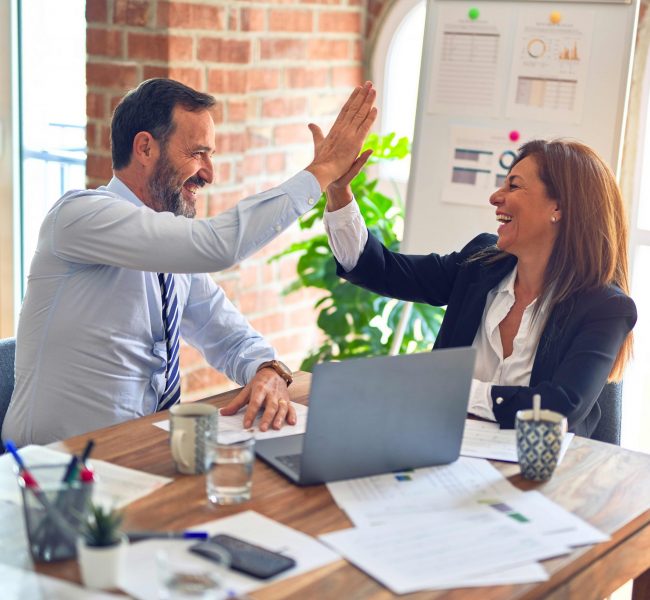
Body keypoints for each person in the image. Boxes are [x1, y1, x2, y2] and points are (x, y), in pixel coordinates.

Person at [3, 78, 377, 446]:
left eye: (210, 155)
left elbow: (228, 335)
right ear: (145, 148)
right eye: (198, 153)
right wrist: (323, 170)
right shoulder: (80, 216)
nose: (209, 174)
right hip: (50, 471)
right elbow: (218, 246)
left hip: (138, 457)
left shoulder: (170, 253)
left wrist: (267, 369)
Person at [323, 139, 636, 437]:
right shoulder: (480, 264)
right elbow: (381, 270)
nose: (496, 197)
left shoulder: (605, 308)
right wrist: (338, 191)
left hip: (544, 476)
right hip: (445, 452)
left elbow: (558, 409)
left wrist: (452, 389)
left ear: (559, 208)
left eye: (514, 185)